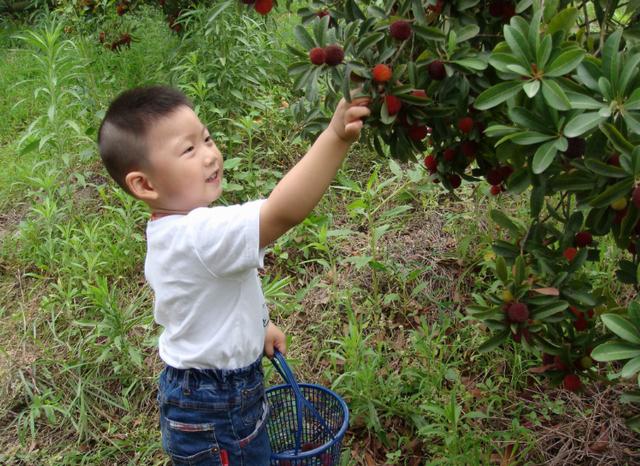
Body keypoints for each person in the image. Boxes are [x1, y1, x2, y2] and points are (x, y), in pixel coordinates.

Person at [97, 85, 370, 464]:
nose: (209, 155)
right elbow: (282, 212)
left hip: (207, 396)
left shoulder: (171, 232)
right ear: (144, 184)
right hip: (217, 407)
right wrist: (335, 136)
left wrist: (260, 326)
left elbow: (209, 305)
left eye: (206, 138)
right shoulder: (198, 235)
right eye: (189, 150)